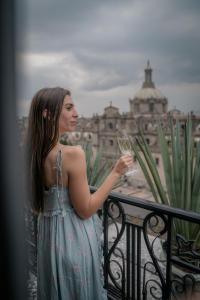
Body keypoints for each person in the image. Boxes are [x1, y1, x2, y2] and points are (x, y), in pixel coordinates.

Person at [27, 87, 133, 300]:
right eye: (68, 107)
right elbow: (86, 209)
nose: (76, 113)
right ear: (48, 114)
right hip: (73, 241)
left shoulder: (33, 153)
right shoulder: (73, 154)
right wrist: (116, 172)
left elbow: (38, 205)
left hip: (48, 242)